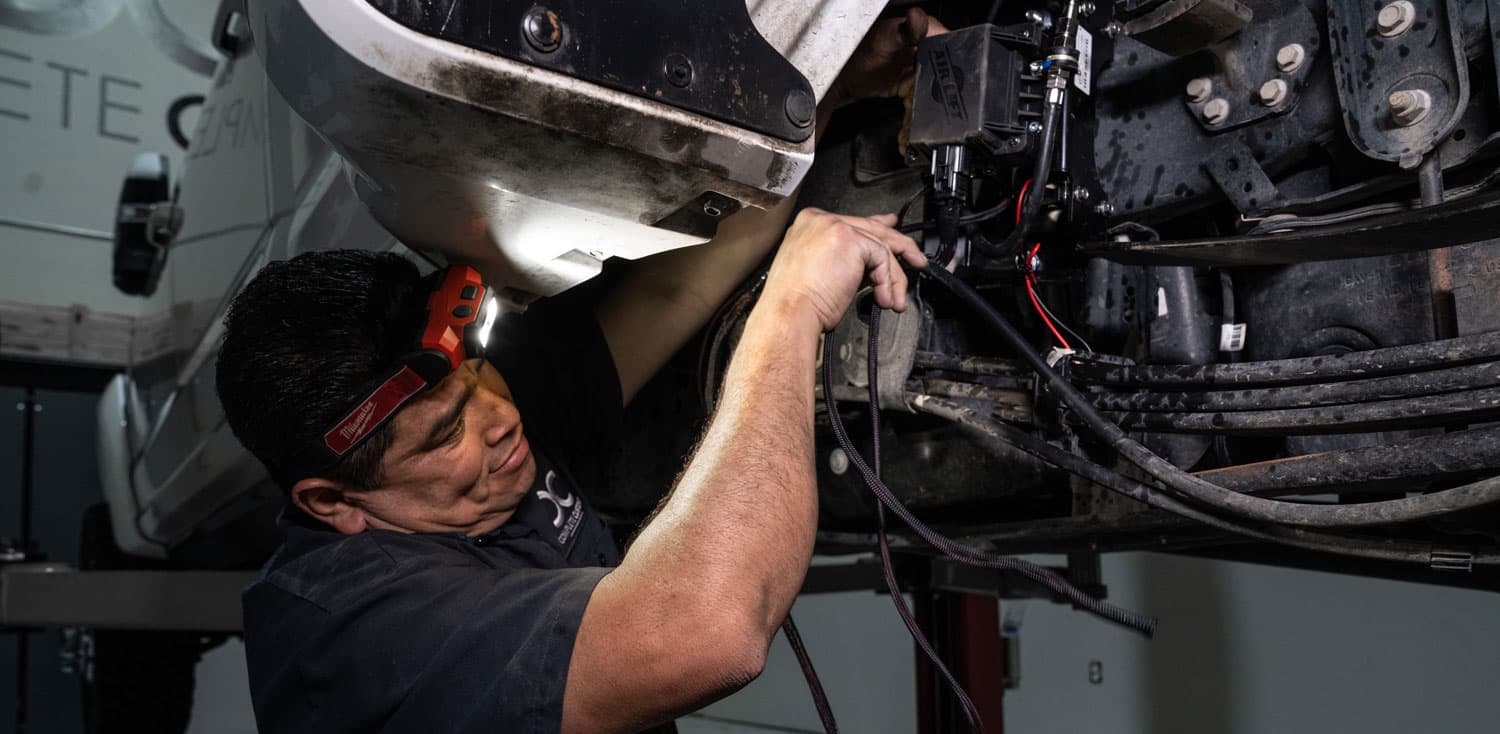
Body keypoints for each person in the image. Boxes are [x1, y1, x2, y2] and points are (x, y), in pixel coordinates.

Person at [216, 10, 940, 734]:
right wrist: (793, 307)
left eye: (476, 372)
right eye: (443, 434)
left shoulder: (482, 424)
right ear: (333, 501)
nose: (500, 416)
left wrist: (829, 86)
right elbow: (708, 632)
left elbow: (669, 294)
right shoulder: (352, 641)